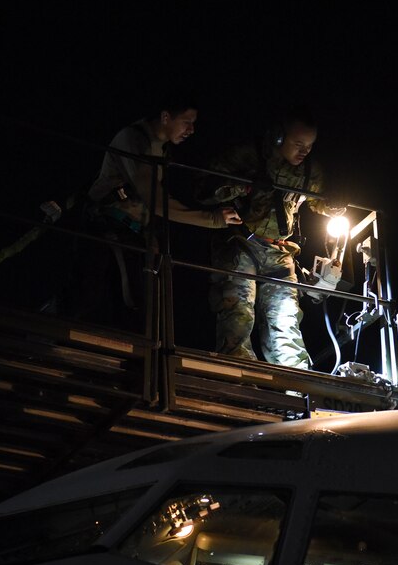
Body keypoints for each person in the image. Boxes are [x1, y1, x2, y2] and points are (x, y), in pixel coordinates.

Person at [57, 95, 240, 328]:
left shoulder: (160, 148)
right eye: (186, 121)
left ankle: (129, 358)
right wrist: (213, 218)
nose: (191, 130)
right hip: (103, 227)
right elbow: (155, 200)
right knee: (85, 295)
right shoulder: (134, 140)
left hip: (131, 232)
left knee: (133, 304)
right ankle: (40, 335)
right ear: (165, 117)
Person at [201, 108, 344, 369]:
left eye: (310, 146)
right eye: (298, 144)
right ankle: (238, 379)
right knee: (238, 314)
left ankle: (297, 386)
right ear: (279, 138)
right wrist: (245, 185)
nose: (304, 151)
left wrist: (333, 206)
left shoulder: (310, 171)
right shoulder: (247, 156)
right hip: (241, 244)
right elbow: (205, 189)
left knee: (286, 320)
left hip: (279, 252)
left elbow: (317, 201)